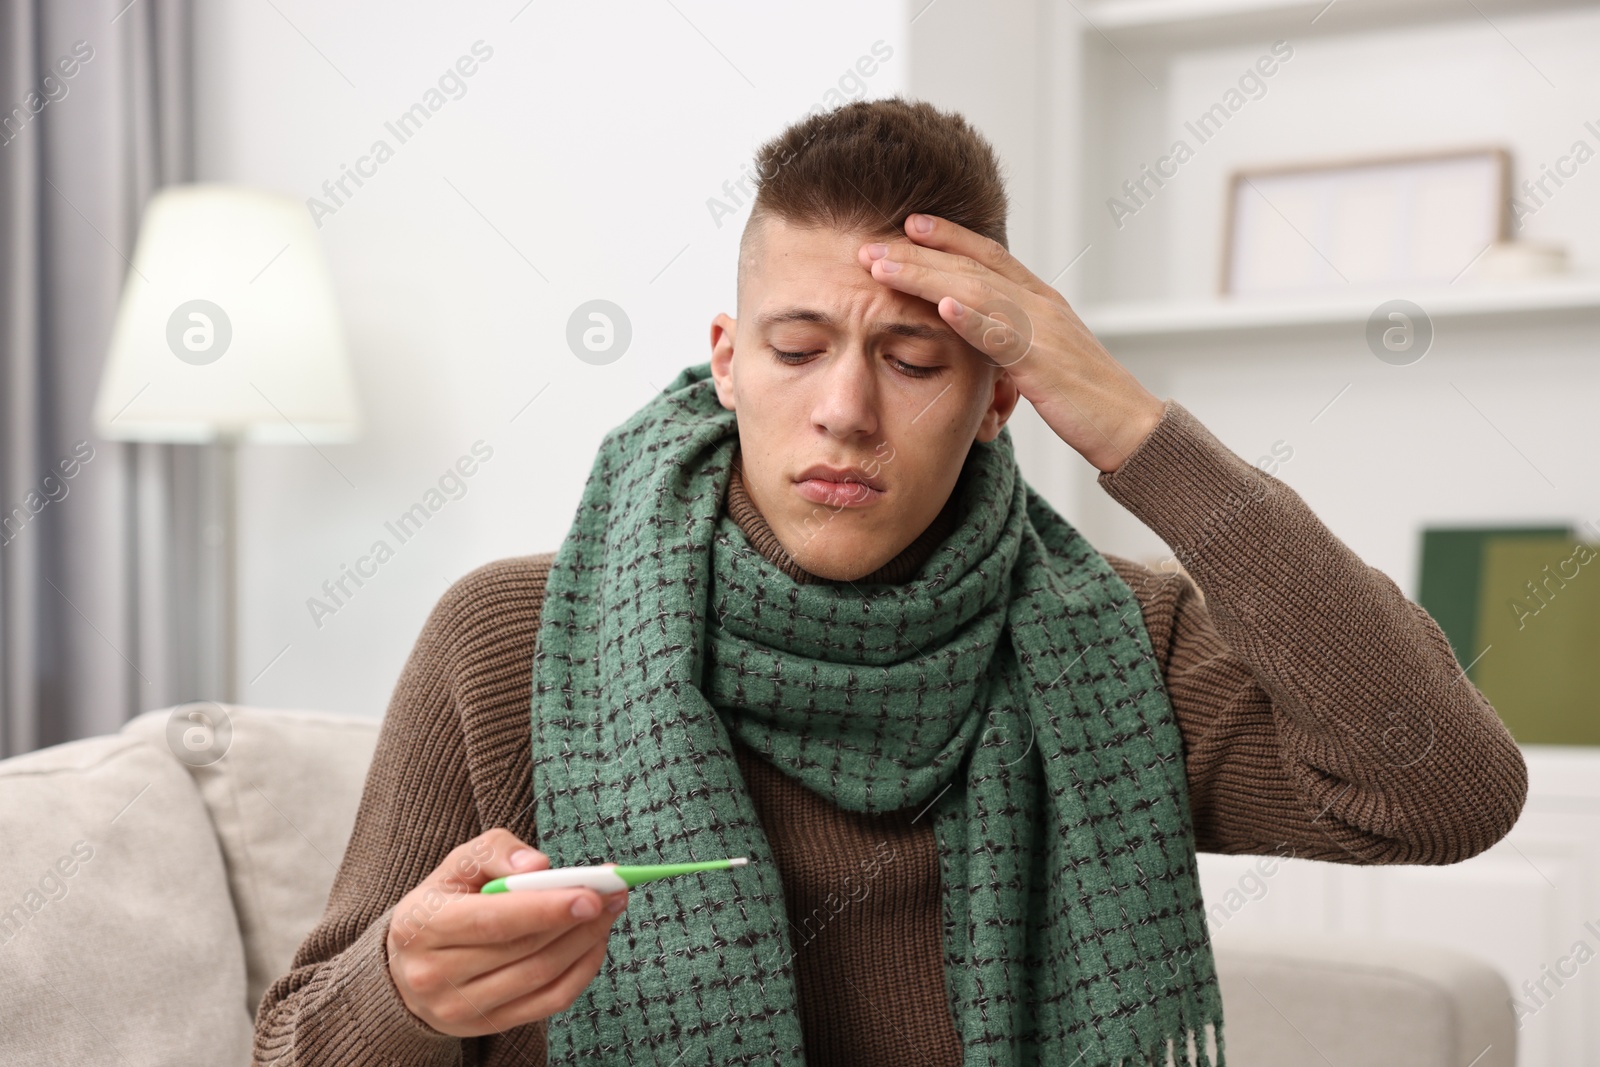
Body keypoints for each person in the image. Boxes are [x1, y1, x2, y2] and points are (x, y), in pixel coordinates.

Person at [252, 96, 1527, 1067]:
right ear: (726, 363)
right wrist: (407, 990)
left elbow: (1442, 792)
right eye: (796, 349)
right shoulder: (510, 635)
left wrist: (1134, 424)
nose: (845, 411)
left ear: (998, 399)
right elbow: (295, 1041)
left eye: (915, 359)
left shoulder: (1118, 642)